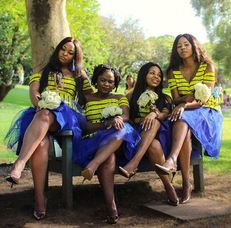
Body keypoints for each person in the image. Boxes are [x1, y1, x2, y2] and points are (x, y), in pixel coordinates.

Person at [4, 37, 93, 220]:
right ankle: (40, 199)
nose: (65, 54)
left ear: (75, 57)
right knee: (42, 143)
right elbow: (34, 92)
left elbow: (94, 95)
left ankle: (19, 164)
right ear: (57, 49)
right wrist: (41, 103)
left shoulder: (79, 75)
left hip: (68, 116)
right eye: (63, 49)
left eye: (71, 53)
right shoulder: (42, 70)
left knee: (46, 115)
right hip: (42, 111)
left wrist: (119, 101)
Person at [155, 33, 223, 204]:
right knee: (183, 122)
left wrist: (185, 103)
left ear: (194, 46)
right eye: (179, 46)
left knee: (182, 116)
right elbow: (175, 97)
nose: (182, 48)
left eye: (186, 44)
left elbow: (205, 98)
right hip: (185, 112)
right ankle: (186, 182)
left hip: (208, 110)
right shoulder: (173, 71)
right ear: (175, 50)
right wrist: (185, 101)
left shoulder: (207, 66)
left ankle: (173, 161)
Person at [72, 64, 140, 224]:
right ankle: (111, 208)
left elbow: (126, 115)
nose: (106, 84)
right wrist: (105, 123)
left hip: (119, 142)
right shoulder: (86, 99)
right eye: (102, 80)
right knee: (108, 159)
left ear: (115, 84)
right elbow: (85, 127)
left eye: (110, 81)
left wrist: (117, 119)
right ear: (96, 80)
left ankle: (93, 165)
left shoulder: (119, 98)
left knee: (124, 128)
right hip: (92, 142)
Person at [118, 62, 179, 206]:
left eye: (159, 75)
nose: (156, 77)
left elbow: (164, 115)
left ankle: (133, 164)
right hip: (137, 136)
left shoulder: (165, 98)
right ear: (143, 74)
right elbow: (130, 119)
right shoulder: (130, 96)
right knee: (153, 144)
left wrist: (153, 113)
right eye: (152, 73)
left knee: (156, 127)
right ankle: (168, 186)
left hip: (161, 134)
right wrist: (141, 119)